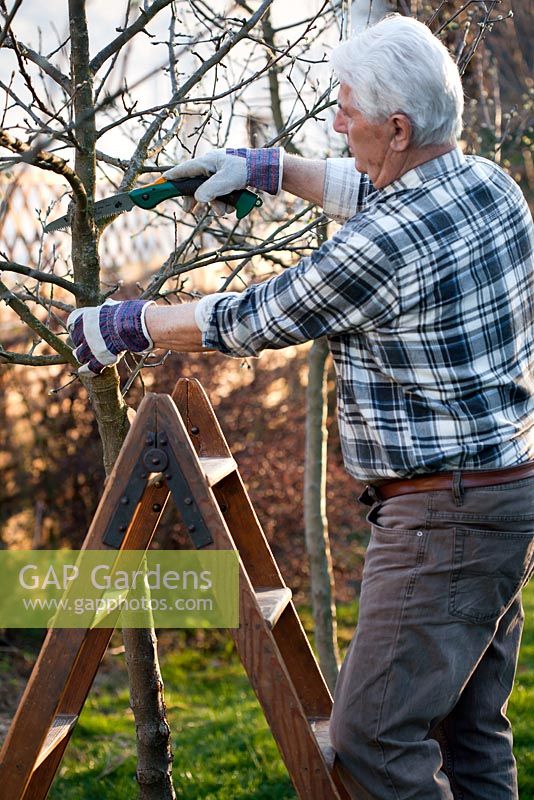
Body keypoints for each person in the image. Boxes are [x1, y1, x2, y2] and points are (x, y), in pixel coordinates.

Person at [67, 15, 534, 800]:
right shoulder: (488, 184)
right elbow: (375, 191)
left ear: (397, 126)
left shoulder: (380, 247)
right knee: (469, 733)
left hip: (441, 520)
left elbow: (255, 316)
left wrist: (129, 325)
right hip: (505, 493)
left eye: (344, 111)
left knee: (374, 743)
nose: (334, 125)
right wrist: (269, 168)